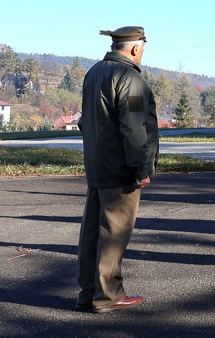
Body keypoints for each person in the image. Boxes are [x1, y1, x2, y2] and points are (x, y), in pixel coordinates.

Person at [76, 26, 158, 314]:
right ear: (135, 48)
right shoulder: (130, 80)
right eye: (144, 46)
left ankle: (88, 294)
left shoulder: (94, 73)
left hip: (97, 166)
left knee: (92, 232)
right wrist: (140, 168)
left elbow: (84, 123)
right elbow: (134, 128)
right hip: (121, 169)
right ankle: (108, 296)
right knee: (114, 233)